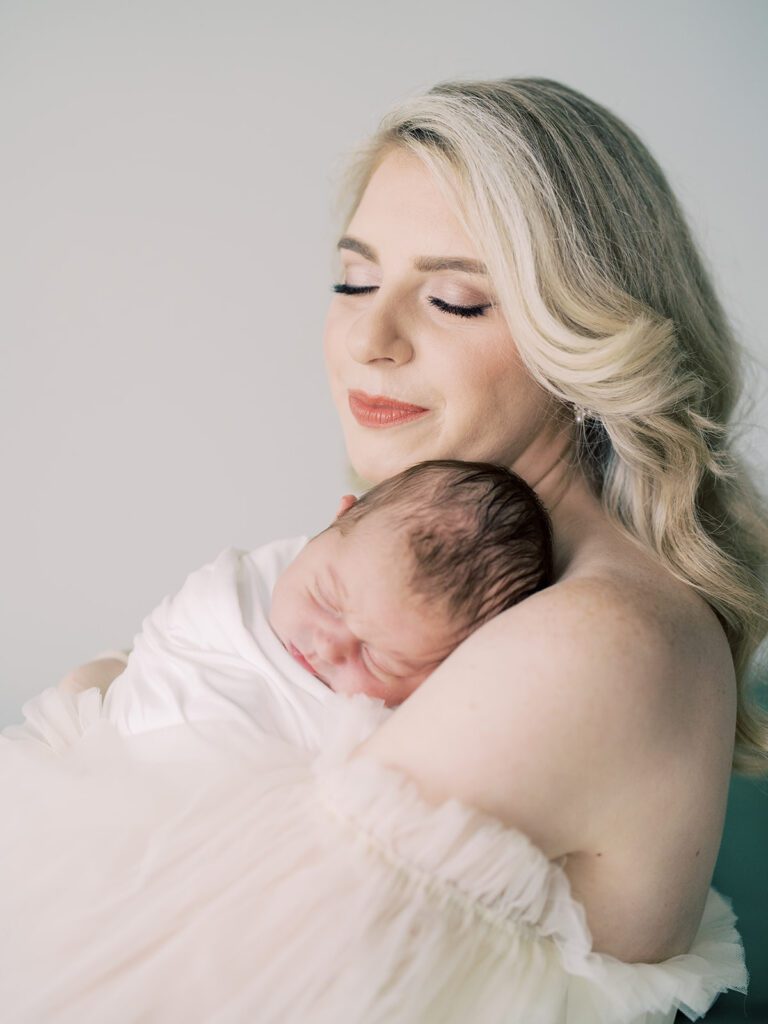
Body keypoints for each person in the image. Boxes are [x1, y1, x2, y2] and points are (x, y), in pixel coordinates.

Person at [36, 75, 768, 1019]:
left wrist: (92, 701)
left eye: (456, 299)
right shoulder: (457, 578)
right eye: (354, 280)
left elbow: (193, 973)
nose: (369, 337)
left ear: (586, 333)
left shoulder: (597, 637)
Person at [97, 458, 553, 748]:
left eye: (378, 659)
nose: (331, 648)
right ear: (337, 518)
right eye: (330, 602)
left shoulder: (384, 736)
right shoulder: (238, 590)